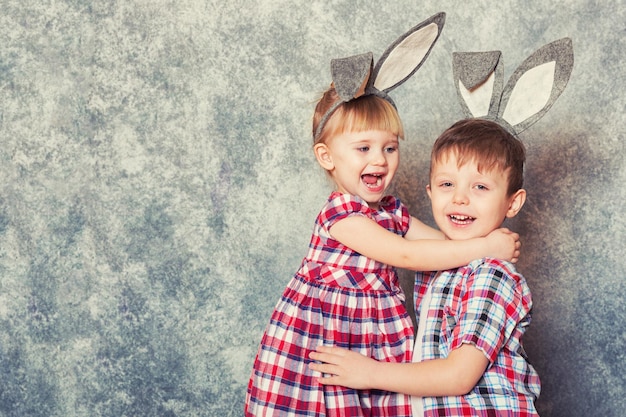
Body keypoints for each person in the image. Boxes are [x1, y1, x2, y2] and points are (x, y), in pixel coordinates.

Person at [245, 90, 522, 416]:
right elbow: (407, 255)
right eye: (364, 148)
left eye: (390, 148)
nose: (379, 159)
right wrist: (487, 246)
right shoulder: (341, 215)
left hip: (375, 338)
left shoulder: (391, 212)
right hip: (329, 338)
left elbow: (445, 246)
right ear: (327, 156)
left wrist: (484, 245)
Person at [309, 118, 541, 416]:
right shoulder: (448, 266)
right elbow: (419, 251)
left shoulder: (491, 276)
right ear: (430, 192)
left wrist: (371, 373)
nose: (459, 198)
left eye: (480, 187)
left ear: (512, 203)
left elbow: (459, 376)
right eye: (447, 184)